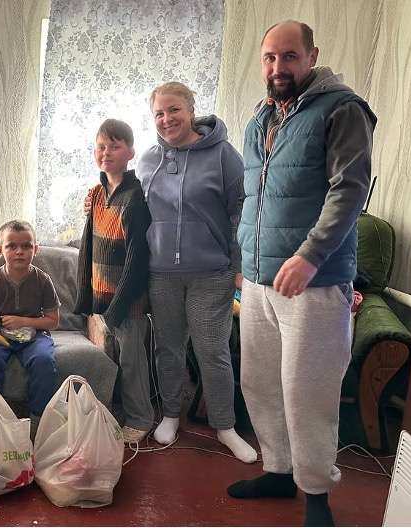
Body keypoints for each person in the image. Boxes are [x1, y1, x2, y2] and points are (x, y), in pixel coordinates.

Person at [226, 21, 376, 527]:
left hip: (316, 281)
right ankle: (278, 471)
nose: (277, 68)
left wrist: (310, 256)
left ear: (312, 55)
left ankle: (316, 496)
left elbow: (349, 191)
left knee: (307, 392)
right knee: (262, 383)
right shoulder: (260, 117)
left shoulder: (342, 109)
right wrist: (244, 261)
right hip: (259, 280)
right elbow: (255, 198)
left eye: (289, 57)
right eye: (269, 58)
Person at [130, 81, 257, 463]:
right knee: (167, 349)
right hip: (161, 273)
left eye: (174, 110)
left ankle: (224, 426)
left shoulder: (223, 156)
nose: (167, 119)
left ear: (191, 111)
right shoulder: (149, 159)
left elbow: (242, 213)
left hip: (211, 273)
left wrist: (239, 267)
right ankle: (170, 414)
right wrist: (97, 197)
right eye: (159, 113)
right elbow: (134, 209)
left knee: (211, 350)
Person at [74, 118, 154, 444]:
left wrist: (118, 307)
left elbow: (138, 261)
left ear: (130, 153)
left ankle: (141, 417)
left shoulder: (136, 198)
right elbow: (87, 246)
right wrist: (85, 297)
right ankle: (119, 411)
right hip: (102, 297)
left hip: (127, 302)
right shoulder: (96, 193)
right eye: (101, 146)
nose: (106, 152)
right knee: (113, 360)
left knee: (133, 361)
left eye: (115, 146)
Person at [0, 220, 59, 437]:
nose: (19, 252)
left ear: (36, 249)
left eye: (26, 246)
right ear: (0, 251)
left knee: (43, 361)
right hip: (0, 332)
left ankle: (37, 424)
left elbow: (53, 320)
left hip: (35, 333)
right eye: (11, 246)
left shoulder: (42, 280)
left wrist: (24, 321)